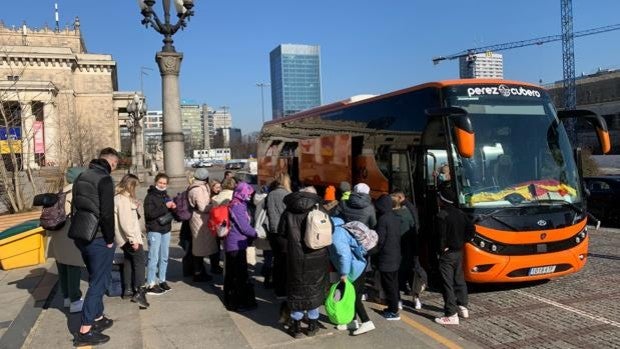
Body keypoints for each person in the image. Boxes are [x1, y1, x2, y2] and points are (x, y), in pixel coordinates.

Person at [71, 147, 119, 346]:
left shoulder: (81, 176)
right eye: (115, 165)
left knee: (94, 276)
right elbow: (107, 214)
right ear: (112, 163)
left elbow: (75, 205)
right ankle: (85, 330)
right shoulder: (105, 179)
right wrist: (110, 238)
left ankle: (98, 317)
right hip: (99, 237)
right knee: (99, 282)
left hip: (81, 234)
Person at [279, 186, 329, 338]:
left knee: (297, 291)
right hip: (317, 257)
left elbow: (281, 232)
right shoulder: (321, 211)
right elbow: (329, 230)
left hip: (295, 257)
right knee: (314, 289)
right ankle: (312, 326)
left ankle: (296, 328)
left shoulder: (288, 211)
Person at [47, 167, 86, 314]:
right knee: (73, 267)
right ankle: (75, 300)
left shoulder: (60, 192)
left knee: (62, 267)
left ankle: (67, 298)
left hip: (57, 236)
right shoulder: (76, 193)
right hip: (70, 235)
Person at [434, 186, 475, 325]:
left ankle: (451, 314)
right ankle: (463, 306)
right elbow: (471, 229)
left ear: (442, 200)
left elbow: (440, 236)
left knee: (447, 283)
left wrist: (441, 249)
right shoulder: (461, 213)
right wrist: (464, 240)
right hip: (459, 251)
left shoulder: (442, 216)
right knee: (459, 279)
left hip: (448, 253)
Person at [329, 217, 375, 336]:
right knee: (354, 295)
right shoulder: (340, 229)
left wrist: (344, 273)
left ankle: (366, 322)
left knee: (352, 297)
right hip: (358, 265)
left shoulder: (336, 235)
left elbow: (344, 255)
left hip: (352, 269)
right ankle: (352, 321)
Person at [114, 174, 149, 308]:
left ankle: (127, 290)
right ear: (131, 185)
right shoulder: (122, 199)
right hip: (130, 238)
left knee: (128, 262)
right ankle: (140, 291)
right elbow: (126, 222)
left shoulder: (120, 197)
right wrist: (133, 239)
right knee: (139, 263)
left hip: (123, 239)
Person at [223, 182, 258, 311]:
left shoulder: (235, 202)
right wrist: (255, 234)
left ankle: (229, 299)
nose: (249, 196)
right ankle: (237, 302)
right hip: (237, 244)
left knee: (231, 273)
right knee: (239, 274)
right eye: (248, 193)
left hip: (232, 242)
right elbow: (244, 227)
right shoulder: (238, 206)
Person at [392, 189, 426, 310]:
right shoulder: (408, 209)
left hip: (401, 248)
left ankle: (399, 299)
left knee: (401, 273)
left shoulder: (398, 213)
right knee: (412, 273)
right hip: (411, 247)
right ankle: (415, 298)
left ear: (400, 197)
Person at [143, 173, 176, 295]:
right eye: (160, 182)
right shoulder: (150, 196)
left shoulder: (166, 195)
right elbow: (149, 214)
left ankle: (162, 280)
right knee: (153, 257)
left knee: (164, 257)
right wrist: (165, 206)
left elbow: (167, 210)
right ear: (156, 182)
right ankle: (151, 282)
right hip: (154, 229)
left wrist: (173, 206)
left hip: (166, 229)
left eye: (164, 183)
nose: (162, 185)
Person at [188, 168, 219, 282]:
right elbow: (202, 207)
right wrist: (215, 205)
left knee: (200, 247)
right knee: (199, 247)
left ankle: (201, 271)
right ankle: (198, 273)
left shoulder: (195, 186)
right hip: (200, 219)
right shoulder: (198, 189)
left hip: (200, 219)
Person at [374, 194, 402, 321]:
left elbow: (380, 240)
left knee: (388, 285)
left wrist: (374, 252)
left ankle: (393, 311)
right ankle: (394, 306)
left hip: (386, 257)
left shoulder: (383, 219)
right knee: (394, 283)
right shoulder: (395, 217)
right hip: (395, 255)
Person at [266, 173, 292, 299]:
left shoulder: (271, 194)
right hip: (284, 232)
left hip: (272, 232)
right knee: (285, 262)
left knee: (277, 261)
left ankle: (278, 289)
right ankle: (284, 289)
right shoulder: (287, 195)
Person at [392, 193, 416, 309]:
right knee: (410, 269)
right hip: (408, 245)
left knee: (397, 272)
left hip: (396, 247)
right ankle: (416, 298)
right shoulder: (407, 213)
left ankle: (398, 300)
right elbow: (413, 226)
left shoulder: (390, 215)